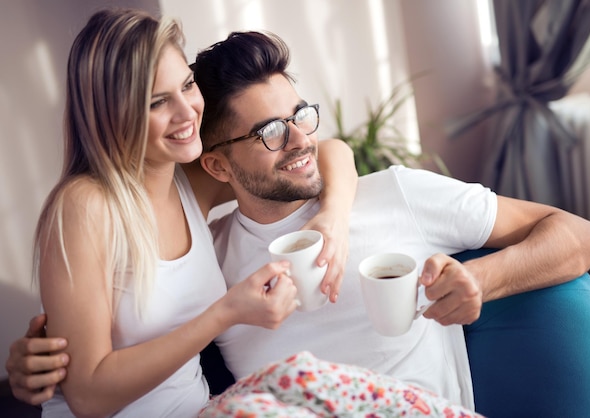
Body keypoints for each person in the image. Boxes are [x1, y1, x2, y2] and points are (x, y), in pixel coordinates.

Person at [7, 29, 590, 414]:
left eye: (302, 114)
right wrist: (43, 357)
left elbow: (585, 236)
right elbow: (101, 361)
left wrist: (344, 218)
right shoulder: (195, 233)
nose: (299, 139)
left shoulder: (396, 193)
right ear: (218, 165)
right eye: (271, 131)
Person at [21, 9, 361, 417]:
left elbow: (328, 151)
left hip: (200, 409)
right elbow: (88, 396)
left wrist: (333, 220)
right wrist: (226, 313)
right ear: (112, 116)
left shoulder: (185, 181)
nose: (187, 114)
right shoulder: (85, 206)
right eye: (158, 102)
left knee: (326, 386)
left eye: (187, 85)